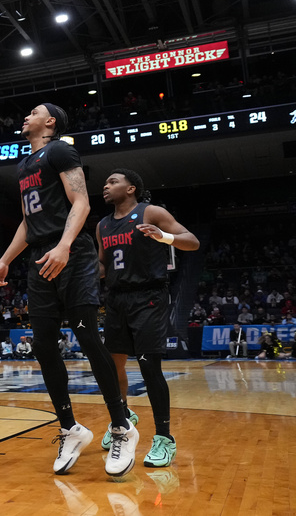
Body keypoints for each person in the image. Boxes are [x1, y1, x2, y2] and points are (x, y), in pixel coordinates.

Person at [0, 103, 137, 477]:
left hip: (70, 252)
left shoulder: (60, 150)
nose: (25, 115)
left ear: (50, 122)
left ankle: (122, 425)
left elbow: (82, 202)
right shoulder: (24, 165)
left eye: (34, 112)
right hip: (41, 257)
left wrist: (65, 244)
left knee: (88, 338)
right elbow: (28, 221)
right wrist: (5, 259)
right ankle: (70, 428)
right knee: (42, 346)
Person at [98, 168, 199, 468]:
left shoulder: (150, 212)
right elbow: (103, 268)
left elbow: (191, 241)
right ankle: (123, 419)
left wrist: (164, 236)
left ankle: (164, 438)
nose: (106, 185)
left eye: (113, 181)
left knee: (148, 366)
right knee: (111, 366)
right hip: (115, 298)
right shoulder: (102, 225)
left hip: (149, 296)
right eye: (105, 182)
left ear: (131, 189)